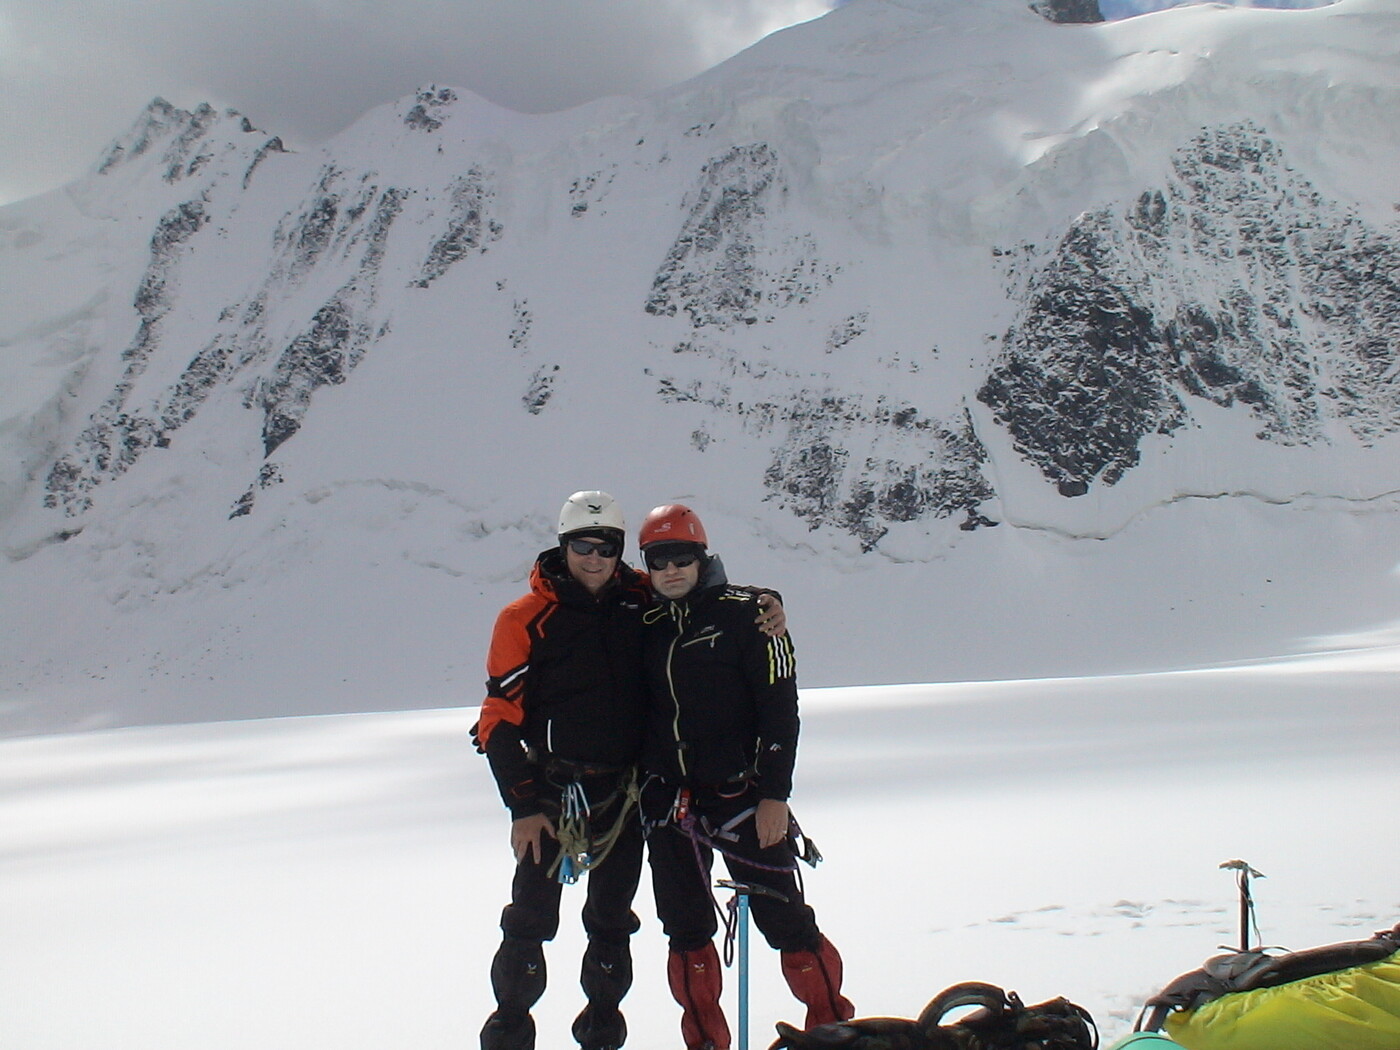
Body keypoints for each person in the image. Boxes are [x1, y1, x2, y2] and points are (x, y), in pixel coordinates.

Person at [473, 491, 785, 1050]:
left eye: (608, 547)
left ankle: (601, 1033)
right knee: (530, 918)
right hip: (552, 792)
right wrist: (521, 805)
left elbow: (705, 594)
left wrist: (765, 601)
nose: (595, 558)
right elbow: (497, 719)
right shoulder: (525, 618)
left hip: (626, 791)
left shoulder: (639, 599)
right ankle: (509, 1032)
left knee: (611, 920)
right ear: (563, 546)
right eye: (583, 546)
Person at [635, 504, 854, 1050]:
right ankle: (706, 1042)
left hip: (743, 796)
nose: (671, 570)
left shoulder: (748, 614)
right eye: (659, 560)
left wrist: (775, 795)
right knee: (685, 929)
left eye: (682, 557)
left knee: (786, 920)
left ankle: (833, 1031)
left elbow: (780, 709)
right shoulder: (643, 623)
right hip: (669, 801)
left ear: (702, 557)